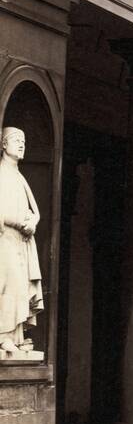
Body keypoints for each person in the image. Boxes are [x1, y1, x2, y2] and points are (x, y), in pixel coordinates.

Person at [0, 126, 43, 355]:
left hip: (21, 241)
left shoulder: (19, 177)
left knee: (18, 286)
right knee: (5, 285)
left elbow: (35, 211)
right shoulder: (1, 173)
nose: (21, 144)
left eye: (24, 141)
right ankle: (3, 335)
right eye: (16, 140)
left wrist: (32, 223)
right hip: (4, 239)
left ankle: (15, 336)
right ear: (3, 145)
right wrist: (19, 222)